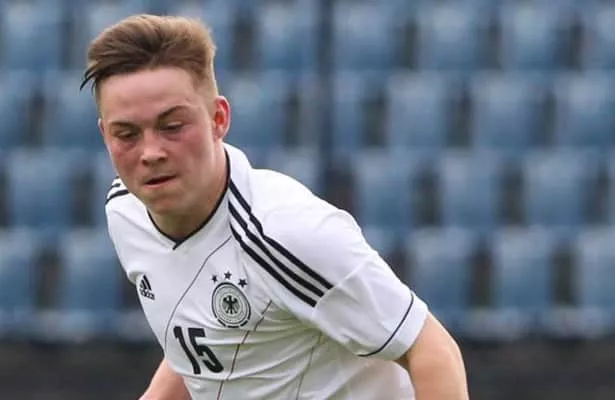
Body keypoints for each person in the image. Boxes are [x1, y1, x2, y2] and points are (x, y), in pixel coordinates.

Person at [81, 13, 469, 400]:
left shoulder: (287, 234)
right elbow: (204, 340)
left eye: (172, 127)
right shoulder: (126, 211)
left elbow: (433, 351)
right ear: (104, 134)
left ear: (219, 119)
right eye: (126, 134)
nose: (151, 153)